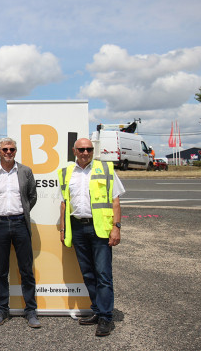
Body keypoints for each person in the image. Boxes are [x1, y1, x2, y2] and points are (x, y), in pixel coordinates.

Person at [58, 138, 125, 337]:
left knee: (103, 274)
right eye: (81, 149)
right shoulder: (66, 172)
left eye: (89, 149)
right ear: (74, 151)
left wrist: (116, 227)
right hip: (78, 228)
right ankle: (97, 310)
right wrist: (63, 229)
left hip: (100, 230)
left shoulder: (105, 169)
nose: (85, 152)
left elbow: (116, 201)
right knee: (87, 273)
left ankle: (106, 317)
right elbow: (64, 204)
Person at [0, 137, 40, 328]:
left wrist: (21, 211)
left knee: (26, 269)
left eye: (12, 149)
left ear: (16, 151)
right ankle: (1, 309)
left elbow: (32, 197)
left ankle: (30, 310)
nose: (9, 152)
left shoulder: (25, 171)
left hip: (20, 223)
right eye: (5, 149)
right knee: (1, 271)